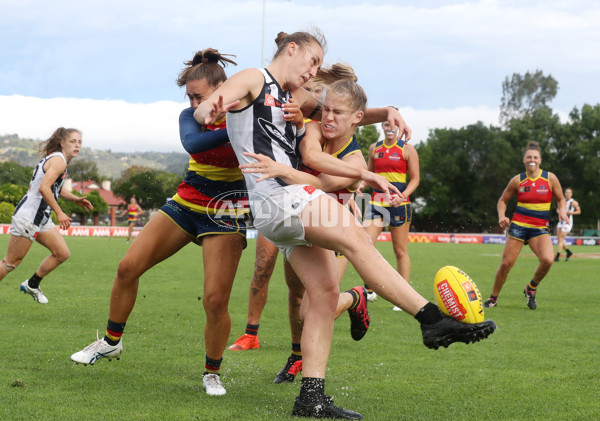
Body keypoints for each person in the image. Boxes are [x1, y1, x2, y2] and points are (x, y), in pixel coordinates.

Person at [195, 30, 496, 419]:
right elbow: (209, 109)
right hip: (279, 198)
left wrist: (387, 110)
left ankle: (311, 397)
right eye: (313, 61)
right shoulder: (256, 78)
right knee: (358, 238)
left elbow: (340, 110)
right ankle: (430, 319)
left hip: (278, 208)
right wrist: (211, 110)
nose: (314, 71)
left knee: (323, 294)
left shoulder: (294, 99)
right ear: (292, 49)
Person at [71, 48, 249, 397]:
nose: (194, 102)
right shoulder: (193, 117)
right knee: (127, 267)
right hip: (185, 204)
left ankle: (212, 372)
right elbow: (192, 144)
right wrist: (235, 128)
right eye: (190, 96)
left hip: (226, 211)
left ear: (223, 89)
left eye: (200, 95)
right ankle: (111, 342)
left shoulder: (251, 112)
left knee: (215, 301)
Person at [0, 127, 93, 303]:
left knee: (62, 253)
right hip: (29, 216)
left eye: (79, 142)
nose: (77, 145)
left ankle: (32, 284)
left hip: (40, 217)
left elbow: (54, 187)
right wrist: (60, 212)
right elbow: (44, 188)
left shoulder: (58, 160)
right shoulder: (59, 161)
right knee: (10, 263)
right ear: (62, 142)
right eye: (73, 141)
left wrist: (75, 199)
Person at [483, 141, 567, 310]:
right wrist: (501, 215)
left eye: (535, 157)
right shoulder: (517, 180)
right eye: (529, 157)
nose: (532, 160)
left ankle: (531, 288)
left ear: (540, 160)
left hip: (539, 228)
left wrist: (562, 210)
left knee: (548, 260)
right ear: (523, 160)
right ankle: (493, 298)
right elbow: (502, 200)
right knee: (506, 264)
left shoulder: (550, 178)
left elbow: (560, 198)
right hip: (519, 226)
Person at [356, 119, 420, 310]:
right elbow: (370, 172)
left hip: (400, 205)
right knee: (365, 245)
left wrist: (402, 197)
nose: (389, 128)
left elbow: (415, 179)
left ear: (399, 127)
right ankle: (370, 289)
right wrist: (362, 184)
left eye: (393, 125)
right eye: (385, 124)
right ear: (382, 127)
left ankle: (404, 295)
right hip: (377, 203)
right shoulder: (374, 148)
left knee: (400, 251)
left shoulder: (408, 149)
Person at [554, 188, 580, 262]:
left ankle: (557, 257)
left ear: (571, 194)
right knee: (559, 239)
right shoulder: (562, 201)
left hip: (568, 222)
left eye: (569, 192)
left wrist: (571, 213)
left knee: (561, 239)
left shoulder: (573, 202)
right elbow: (558, 209)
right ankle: (569, 252)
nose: (567, 194)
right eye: (566, 192)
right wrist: (559, 212)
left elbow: (579, 211)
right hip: (561, 221)